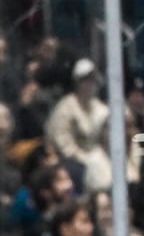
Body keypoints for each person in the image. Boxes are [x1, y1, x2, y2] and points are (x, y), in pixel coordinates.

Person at [44, 57, 112, 193]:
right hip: (72, 160)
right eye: (85, 80)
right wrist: (83, 158)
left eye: (92, 80)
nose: (89, 84)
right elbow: (62, 142)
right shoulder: (65, 108)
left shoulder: (101, 108)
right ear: (77, 82)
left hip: (98, 157)